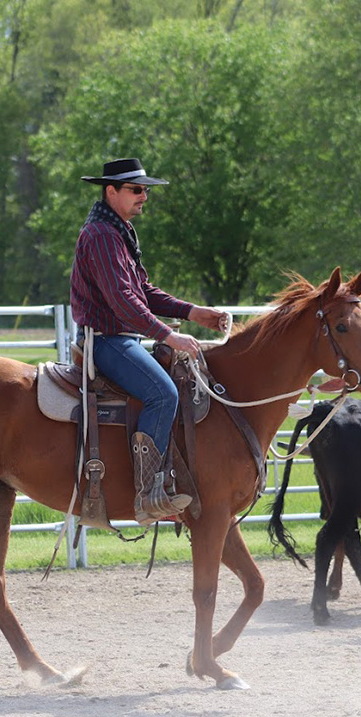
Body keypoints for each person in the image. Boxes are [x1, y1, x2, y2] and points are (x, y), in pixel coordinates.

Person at [71, 158, 227, 526]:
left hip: (118, 337)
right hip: (107, 341)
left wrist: (193, 312)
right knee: (164, 393)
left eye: (146, 189)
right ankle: (148, 493)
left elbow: (141, 291)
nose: (145, 196)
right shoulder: (101, 236)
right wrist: (168, 335)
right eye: (137, 189)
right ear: (112, 191)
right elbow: (123, 300)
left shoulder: (116, 232)